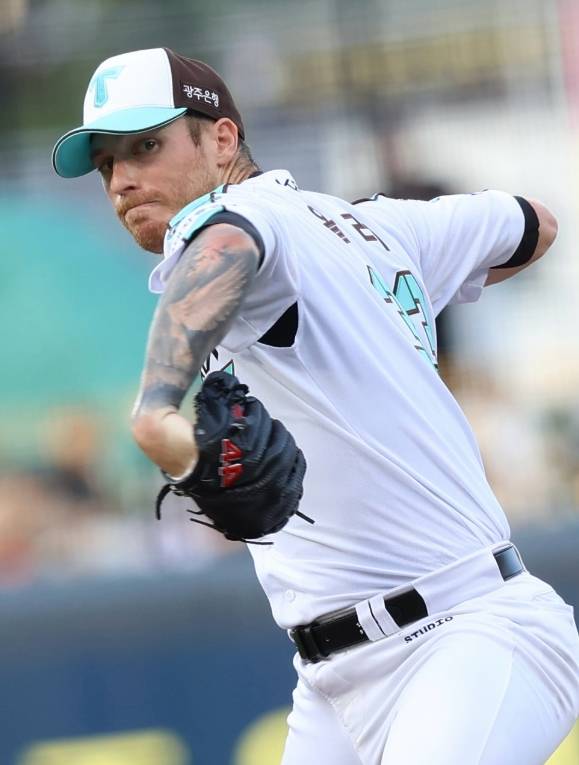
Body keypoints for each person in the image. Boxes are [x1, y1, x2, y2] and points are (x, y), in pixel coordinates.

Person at [53, 47, 579, 765]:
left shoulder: (235, 220)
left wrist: (157, 407)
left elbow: (229, 239)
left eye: (146, 146)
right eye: (106, 163)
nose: (122, 179)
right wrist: (386, 285)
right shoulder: (372, 228)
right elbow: (532, 224)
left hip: (468, 635)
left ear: (222, 138)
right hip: (333, 681)